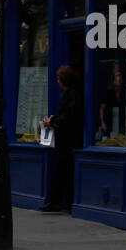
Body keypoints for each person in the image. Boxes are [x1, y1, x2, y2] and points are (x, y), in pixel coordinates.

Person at [41, 65, 83, 212]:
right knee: (63, 171)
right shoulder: (72, 94)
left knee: (63, 171)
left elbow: (69, 116)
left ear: (62, 80)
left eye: (58, 78)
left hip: (67, 141)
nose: (57, 81)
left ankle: (60, 202)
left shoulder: (71, 95)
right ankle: (60, 201)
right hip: (67, 140)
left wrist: (52, 121)